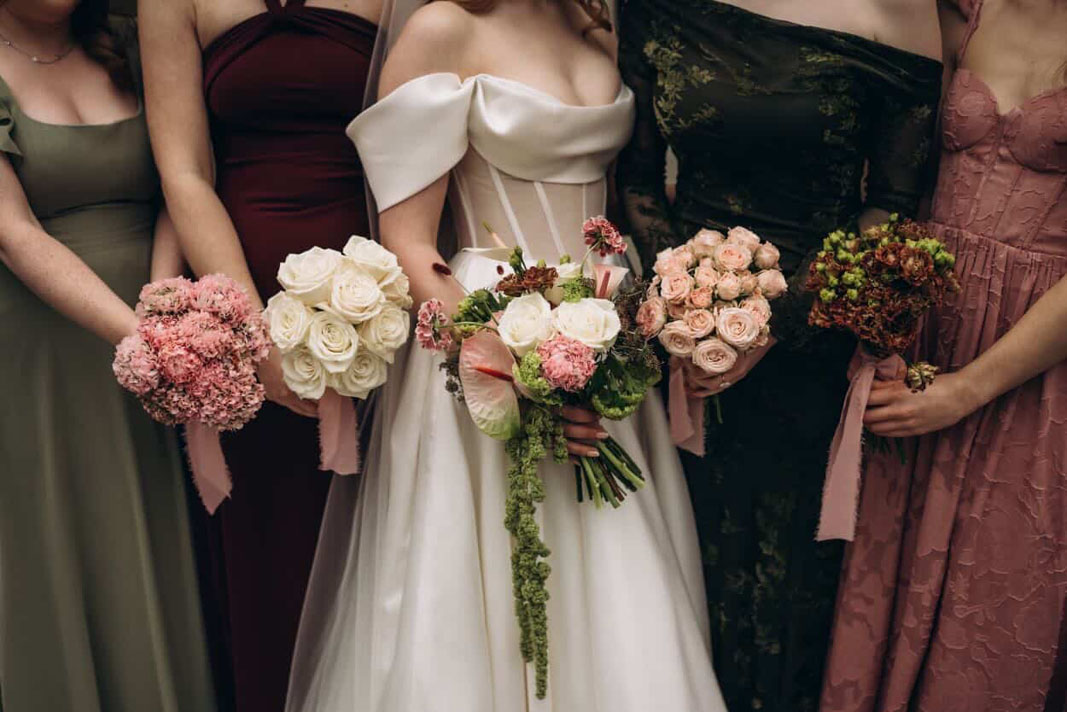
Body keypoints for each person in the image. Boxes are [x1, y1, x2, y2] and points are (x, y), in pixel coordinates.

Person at [285, 1, 727, 710]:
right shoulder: (442, 30)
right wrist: (517, 368)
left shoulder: (593, 25)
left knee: (619, 573)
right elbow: (409, 244)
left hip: (603, 325)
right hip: (488, 334)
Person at [616, 1, 943, 709]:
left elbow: (892, 202)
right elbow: (636, 178)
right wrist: (680, 309)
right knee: (675, 567)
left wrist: (770, 327)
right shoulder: (654, 8)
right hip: (679, 347)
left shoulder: (899, 11)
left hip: (811, 339)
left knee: (785, 585)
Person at [821, 0, 1067, 709]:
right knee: (881, 579)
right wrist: (877, 312)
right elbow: (904, 175)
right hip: (926, 325)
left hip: (1028, 361)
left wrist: (965, 390)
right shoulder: (961, 11)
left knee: (987, 594)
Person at [139, 0, 380, 709]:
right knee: (276, 560)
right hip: (238, 296)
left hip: (380, 294)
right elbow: (185, 170)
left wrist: (386, 299)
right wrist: (251, 331)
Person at [0, 2, 215, 710]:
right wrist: (141, 341)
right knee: (72, 542)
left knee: (161, 536)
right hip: (45, 356)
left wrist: (163, 307)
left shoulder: (130, 39)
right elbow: (13, 234)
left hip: (163, 335)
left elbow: (182, 177)